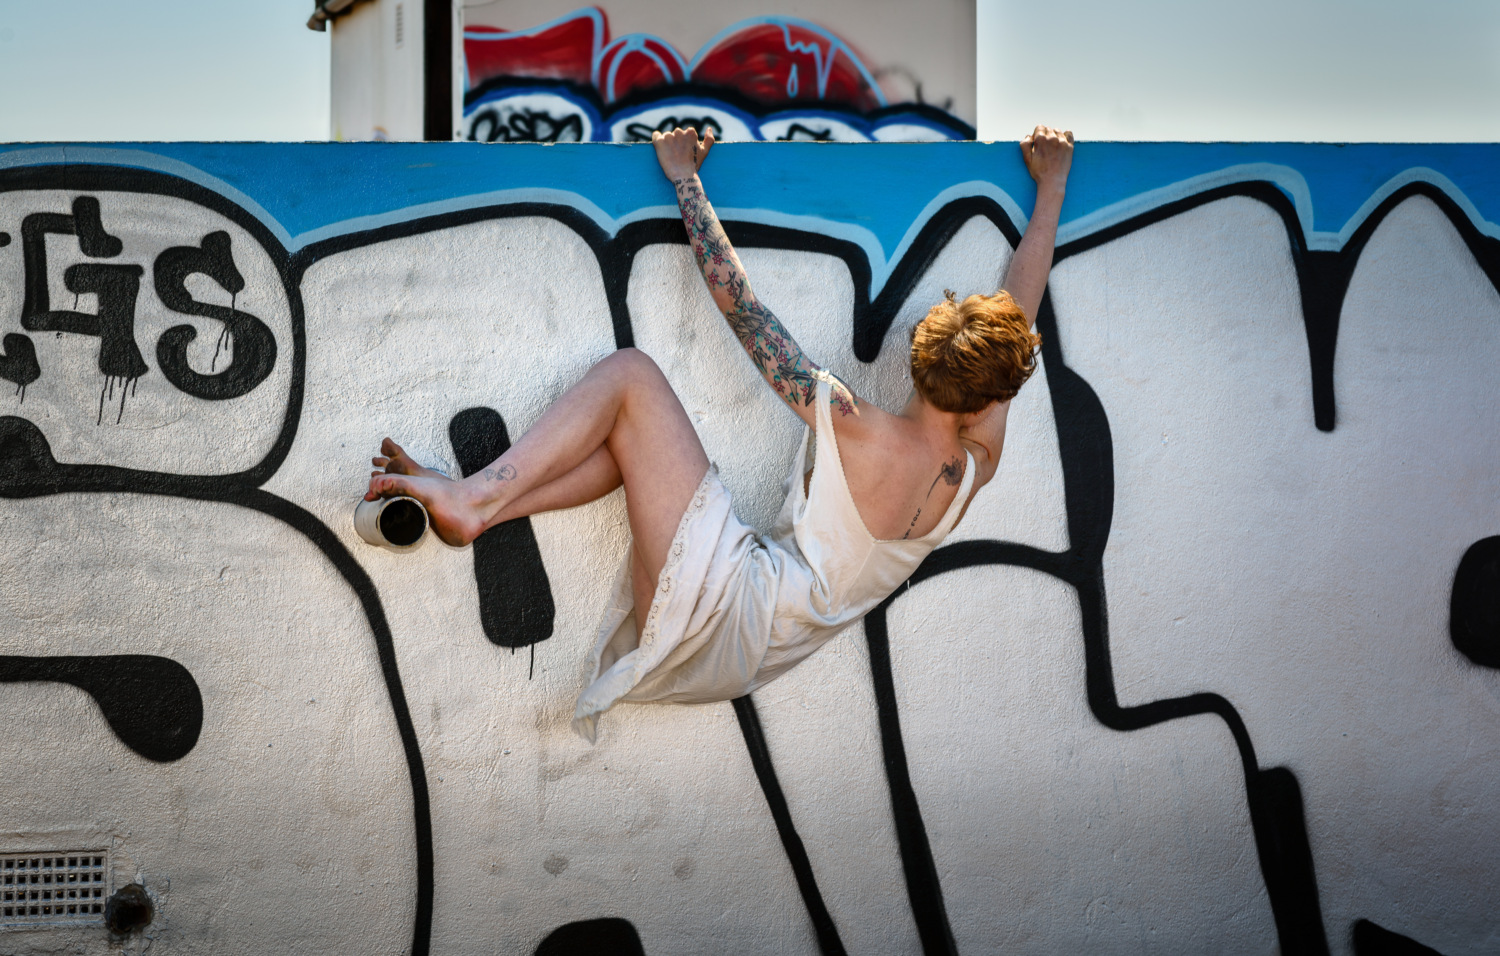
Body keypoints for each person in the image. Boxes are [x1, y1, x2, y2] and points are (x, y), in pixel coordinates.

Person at [365, 125, 1075, 741]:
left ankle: (474, 498)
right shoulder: (974, 465)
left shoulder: (852, 425)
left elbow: (744, 310)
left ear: (919, 361)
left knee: (630, 376)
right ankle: (479, 508)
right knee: (623, 444)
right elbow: (1020, 307)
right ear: (997, 393)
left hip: (723, 604)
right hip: (739, 663)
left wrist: (685, 180)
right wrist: (1052, 189)